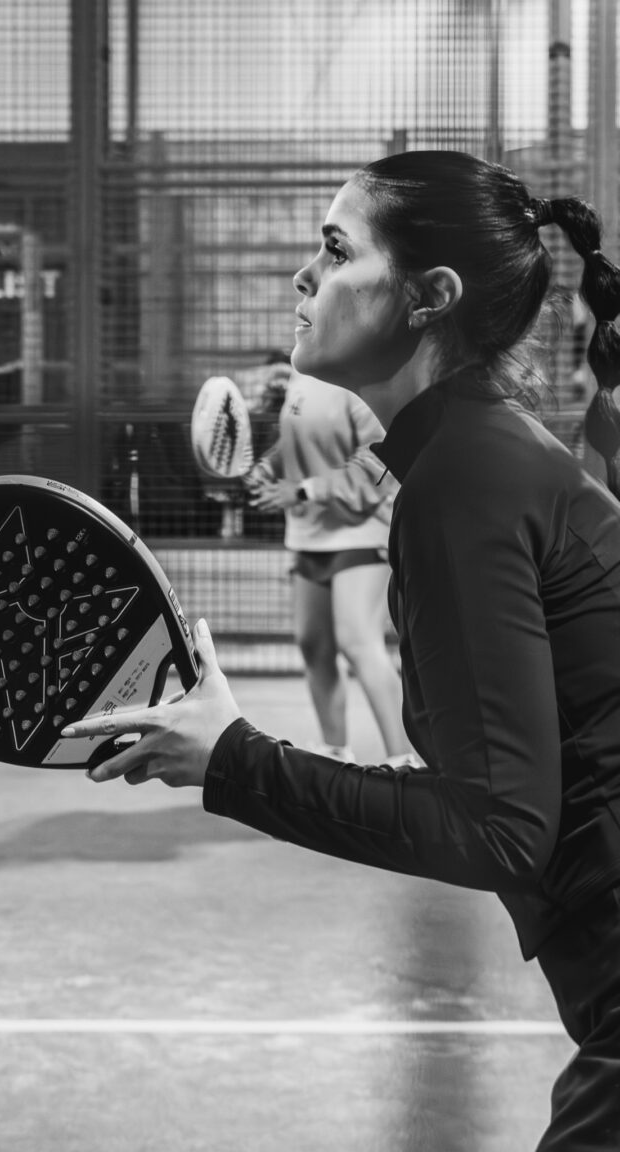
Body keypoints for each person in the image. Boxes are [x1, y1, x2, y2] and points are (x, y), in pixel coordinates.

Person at [63, 150, 620, 1150]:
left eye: (334, 249)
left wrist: (233, 758)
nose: (302, 276)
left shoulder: (466, 479)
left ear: (429, 296)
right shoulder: (479, 455)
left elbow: (502, 831)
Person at [246, 367, 410, 760]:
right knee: (313, 645)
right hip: (308, 535)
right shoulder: (302, 374)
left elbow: (379, 460)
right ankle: (335, 753)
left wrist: (304, 490)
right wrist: (270, 466)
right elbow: (297, 439)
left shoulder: (364, 378)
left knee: (358, 642)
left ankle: (404, 761)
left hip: (361, 531)